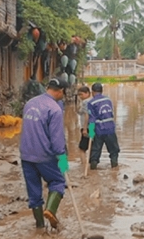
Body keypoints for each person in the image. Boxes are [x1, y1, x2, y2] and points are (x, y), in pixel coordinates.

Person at [20, 77, 69, 230]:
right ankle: (51, 210)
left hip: (26, 154)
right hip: (44, 155)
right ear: (61, 91)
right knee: (58, 181)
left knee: (34, 191)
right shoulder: (54, 109)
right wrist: (63, 159)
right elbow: (57, 139)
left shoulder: (30, 103)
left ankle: (40, 226)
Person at [86, 82, 120, 169]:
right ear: (102, 91)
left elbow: (92, 119)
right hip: (110, 129)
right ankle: (114, 167)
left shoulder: (91, 103)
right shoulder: (108, 100)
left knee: (95, 151)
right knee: (114, 150)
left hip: (99, 130)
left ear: (92, 92)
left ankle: (93, 169)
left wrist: (90, 132)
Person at [76, 84, 92, 153]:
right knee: (91, 147)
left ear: (87, 93)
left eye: (81, 94)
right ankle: (89, 163)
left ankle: (83, 163)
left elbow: (86, 115)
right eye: (79, 95)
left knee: (82, 148)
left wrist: (85, 129)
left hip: (86, 127)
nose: (80, 97)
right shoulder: (92, 101)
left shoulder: (86, 102)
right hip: (92, 127)